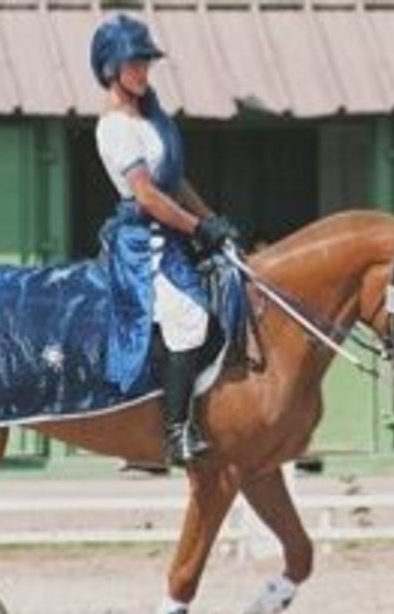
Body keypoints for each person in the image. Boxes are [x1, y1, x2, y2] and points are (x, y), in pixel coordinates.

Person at [90, 14, 242, 467]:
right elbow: (148, 195)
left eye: (145, 64)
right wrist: (198, 229)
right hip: (142, 241)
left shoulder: (151, 117)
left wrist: (213, 220)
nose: (142, 72)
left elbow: (175, 183)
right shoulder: (114, 126)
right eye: (133, 64)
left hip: (172, 234)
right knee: (188, 318)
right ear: (110, 69)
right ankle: (174, 432)